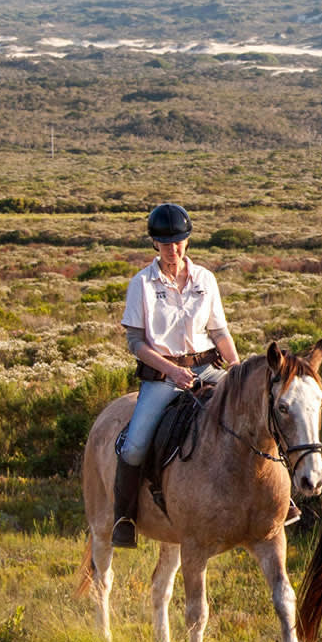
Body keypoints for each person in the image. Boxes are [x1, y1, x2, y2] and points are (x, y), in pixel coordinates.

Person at [108, 203, 240, 548]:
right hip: (163, 376)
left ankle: (278, 500)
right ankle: (124, 518)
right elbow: (136, 342)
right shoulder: (142, 283)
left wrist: (236, 367)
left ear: (187, 241)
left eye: (178, 242)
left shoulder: (205, 279)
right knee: (134, 446)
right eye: (166, 243)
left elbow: (219, 331)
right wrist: (172, 371)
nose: (173, 249)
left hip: (207, 366)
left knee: (255, 410)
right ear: (155, 244)